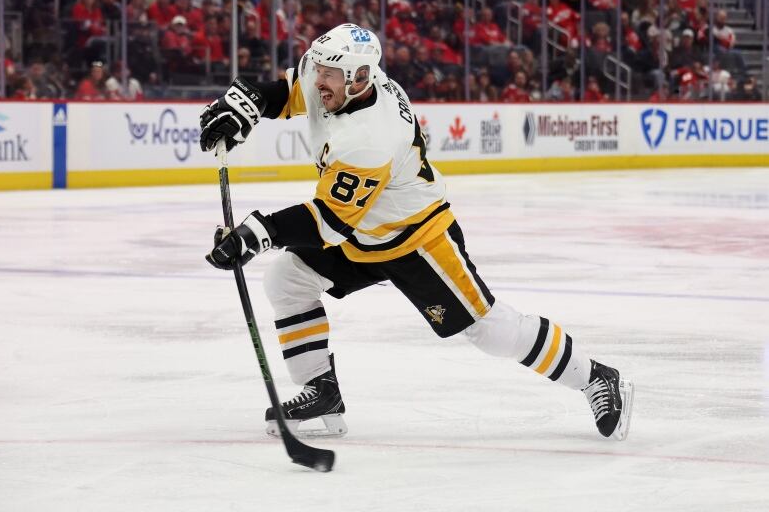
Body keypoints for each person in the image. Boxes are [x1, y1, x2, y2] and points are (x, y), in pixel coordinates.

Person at [198, 24, 634, 441]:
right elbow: (290, 90)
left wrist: (256, 234)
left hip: (418, 239)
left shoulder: (371, 135)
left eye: (329, 74)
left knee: (491, 330)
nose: (318, 80)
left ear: (359, 79)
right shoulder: (344, 79)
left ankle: (595, 376)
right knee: (287, 279)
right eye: (319, 69)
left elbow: (329, 222)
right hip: (363, 233)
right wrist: (248, 105)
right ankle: (322, 392)